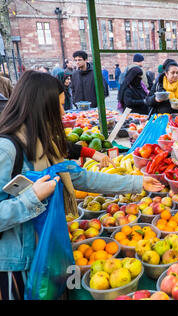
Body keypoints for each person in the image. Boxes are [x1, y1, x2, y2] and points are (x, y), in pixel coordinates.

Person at [0, 71, 164, 300]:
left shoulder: (46, 143)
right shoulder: (7, 150)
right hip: (20, 263)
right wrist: (32, 197)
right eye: (57, 106)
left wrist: (137, 182)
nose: (62, 112)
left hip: (51, 248)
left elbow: (84, 178)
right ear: (40, 107)